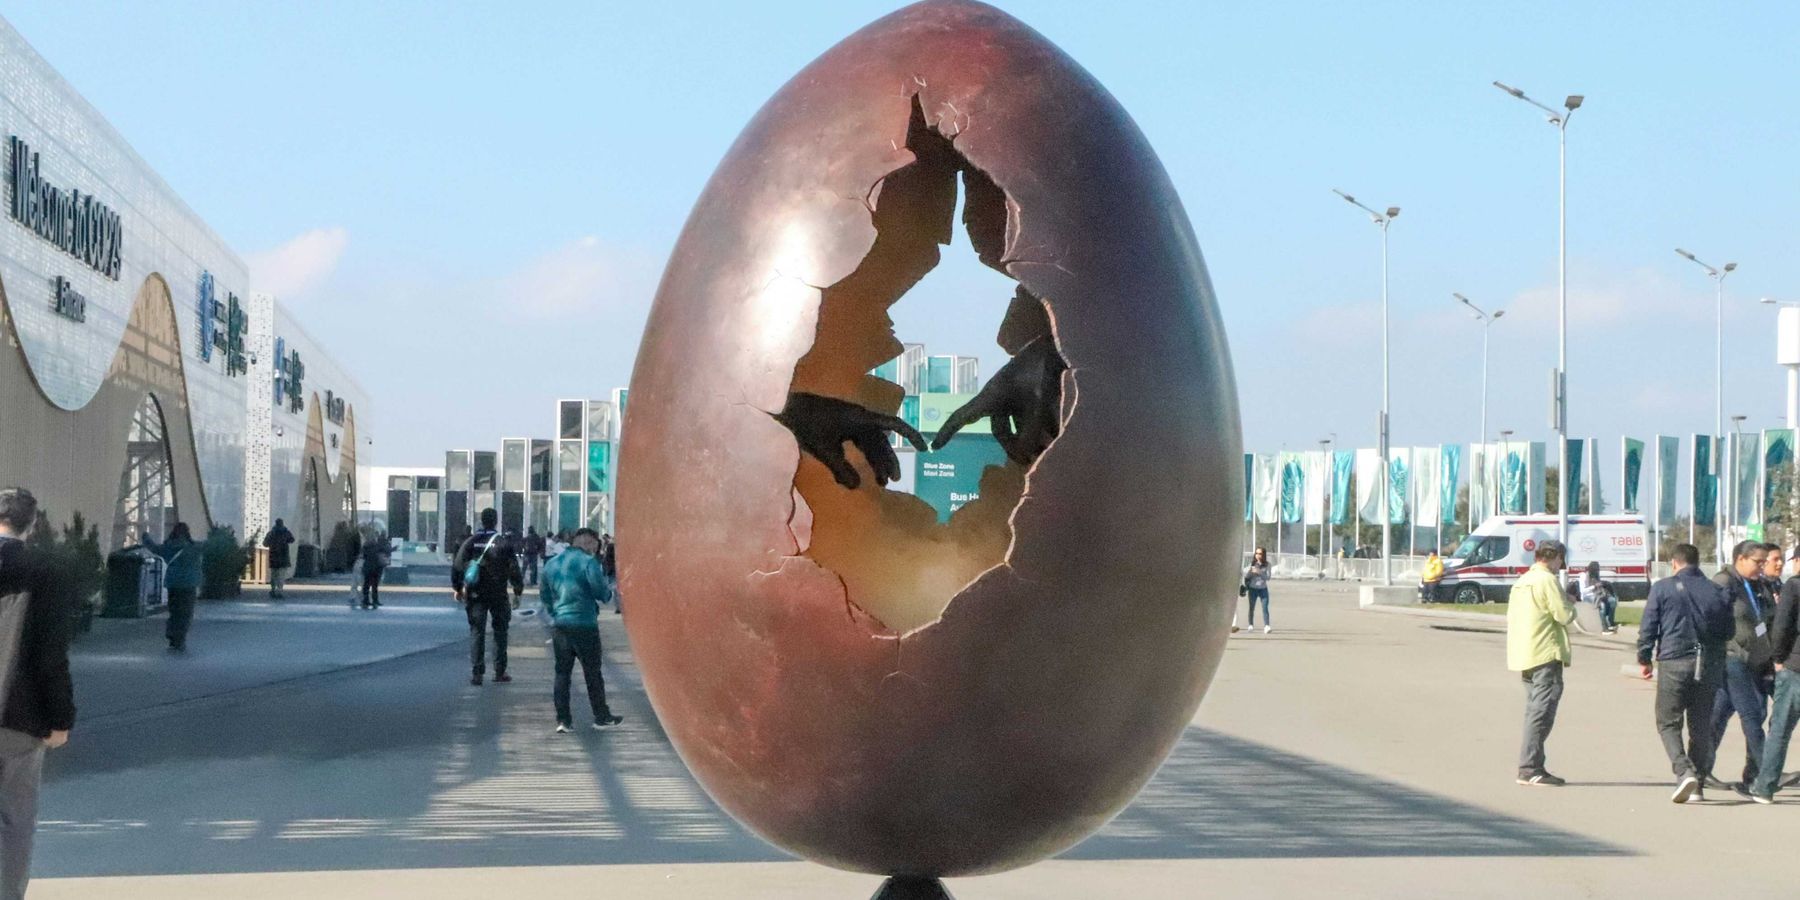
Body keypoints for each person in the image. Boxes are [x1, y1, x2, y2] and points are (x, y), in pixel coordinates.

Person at [0, 488, 74, 900]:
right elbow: (51, 654)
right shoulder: (46, 571)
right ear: (32, 524)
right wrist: (60, 718)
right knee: (15, 820)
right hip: (20, 715)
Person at [1638, 542, 1735, 804]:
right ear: (1698, 562)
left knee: (1668, 721)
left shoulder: (1663, 588)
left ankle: (1684, 770)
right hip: (1709, 664)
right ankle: (1698, 785)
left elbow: (1649, 626)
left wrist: (1644, 658)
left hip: (1674, 660)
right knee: (1700, 725)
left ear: (1674, 562)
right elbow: (1729, 632)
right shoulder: (1717, 590)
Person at [1707, 540, 1778, 796]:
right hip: (1732, 657)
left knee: (1718, 714)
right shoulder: (1724, 582)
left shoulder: (1758, 585)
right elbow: (1711, 618)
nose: (1762, 566)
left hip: (1756, 660)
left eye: (1763, 562)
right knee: (1751, 715)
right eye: (1757, 562)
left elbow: (1767, 616)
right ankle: (1766, 771)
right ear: (1740, 559)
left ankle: (1699, 769)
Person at [539, 528, 625, 732]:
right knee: (592, 673)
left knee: (562, 674)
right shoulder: (588, 562)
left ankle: (563, 720)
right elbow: (600, 592)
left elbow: (545, 595)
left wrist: (555, 613)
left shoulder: (552, 564)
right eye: (596, 546)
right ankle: (601, 716)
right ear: (589, 543)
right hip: (585, 624)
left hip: (561, 626)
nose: (597, 550)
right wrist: (607, 595)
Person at [1506, 539, 1572, 787]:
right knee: (1541, 713)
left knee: (1534, 711)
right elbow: (1563, 614)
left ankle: (1535, 765)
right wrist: (1572, 606)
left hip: (1525, 653)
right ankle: (1530, 767)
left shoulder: (1522, 581)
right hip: (1545, 653)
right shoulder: (1547, 580)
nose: (1561, 566)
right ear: (1554, 557)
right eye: (1561, 560)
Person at [1749, 542, 1800, 803]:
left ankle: (1765, 786)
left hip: (1795, 668)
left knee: (1780, 729)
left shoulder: (1793, 586)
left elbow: (1782, 627)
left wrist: (1778, 659)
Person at [451, 509, 522, 686]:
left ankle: (477, 673)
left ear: (481, 521)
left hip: (476, 593)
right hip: (498, 592)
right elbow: (513, 568)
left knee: (477, 631)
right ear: (496, 521)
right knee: (500, 631)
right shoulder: (503, 543)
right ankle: (499, 671)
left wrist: (458, 588)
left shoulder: (471, 541)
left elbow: (458, 565)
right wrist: (517, 591)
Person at [144, 522, 201, 652]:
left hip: (173, 584)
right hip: (189, 585)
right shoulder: (194, 547)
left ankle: (172, 636)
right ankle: (180, 638)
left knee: (174, 612)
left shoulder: (169, 546)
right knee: (186, 613)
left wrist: (146, 537)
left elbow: (154, 548)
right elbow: (209, 546)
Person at [1572, 560, 1619, 634]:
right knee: (1602, 605)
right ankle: (1604, 628)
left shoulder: (1596, 576)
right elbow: (1583, 591)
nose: (1597, 571)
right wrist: (1594, 586)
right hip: (1587, 596)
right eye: (1596, 570)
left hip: (1598, 594)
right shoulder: (1584, 576)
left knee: (1612, 601)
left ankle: (1610, 622)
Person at [262, 518, 295, 599]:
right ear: (282, 523)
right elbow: (292, 540)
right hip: (283, 557)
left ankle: (273, 590)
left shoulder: (271, 533)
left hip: (273, 557)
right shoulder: (286, 532)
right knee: (281, 576)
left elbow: (265, 543)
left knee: (274, 575)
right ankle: (279, 591)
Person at [1242, 547, 1272, 633]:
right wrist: (1251, 573)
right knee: (1251, 608)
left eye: (1260, 554)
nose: (1258, 555)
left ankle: (1267, 626)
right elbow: (1247, 577)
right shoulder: (1252, 564)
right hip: (1253, 589)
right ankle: (1250, 625)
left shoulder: (1267, 565)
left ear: (1264, 555)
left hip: (1263, 589)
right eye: (1256, 553)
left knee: (1265, 607)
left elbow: (1268, 577)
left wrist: (1259, 572)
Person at [358, 529, 389, 609]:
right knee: (374, 585)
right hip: (375, 568)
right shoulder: (377, 546)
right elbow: (385, 550)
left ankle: (366, 600)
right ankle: (375, 600)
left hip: (367, 567)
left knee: (366, 585)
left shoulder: (365, 546)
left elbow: (363, 556)